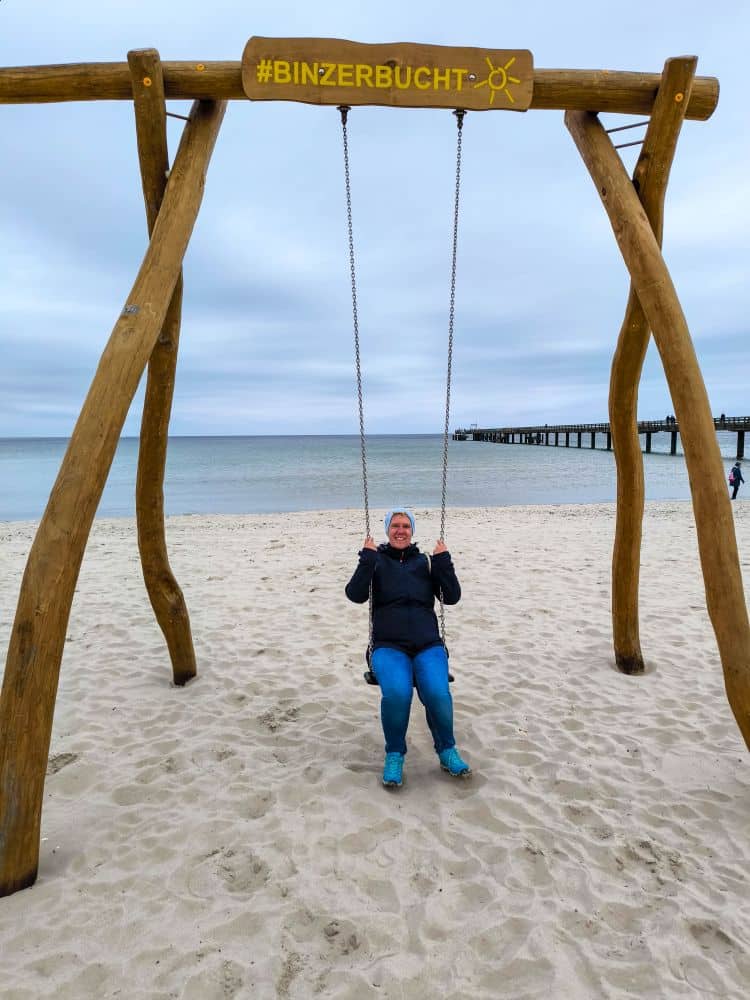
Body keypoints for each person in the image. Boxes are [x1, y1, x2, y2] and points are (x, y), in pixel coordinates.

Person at [345, 508, 471, 788]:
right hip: (388, 647)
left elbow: (451, 597)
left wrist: (444, 562)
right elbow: (354, 595)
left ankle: (447, 750)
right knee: (398, 694)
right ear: (387, 530)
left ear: (412, 531)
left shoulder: (425, 562)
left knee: (438, 693)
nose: (400, 530)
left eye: (405, 526)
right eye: (395, 526)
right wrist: (366, 559)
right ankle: (394, 754)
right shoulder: (376, 561)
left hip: (428, 645)